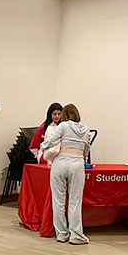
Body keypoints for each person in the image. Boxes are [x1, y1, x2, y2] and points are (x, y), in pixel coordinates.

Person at [40, 104, 91, 245]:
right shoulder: (86, 129)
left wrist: (43, 147)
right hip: (77, 164)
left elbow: (51, 140)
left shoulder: (62, 126)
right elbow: (86, 149)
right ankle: (76, 235)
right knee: (75, 201)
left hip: (60, 163)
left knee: (58, 200)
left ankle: (62, 234)